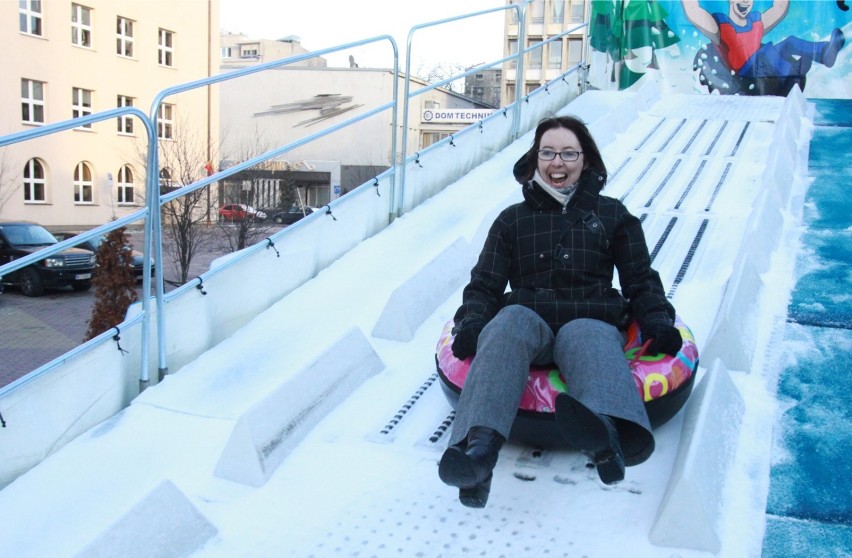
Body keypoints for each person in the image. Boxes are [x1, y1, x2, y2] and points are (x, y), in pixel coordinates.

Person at [438, 116, 682, 508]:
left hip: (589, 315)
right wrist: (471, 325)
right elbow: (485, 285)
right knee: (508, 323)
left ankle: (606, 435)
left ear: (585, 160)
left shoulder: (612, 215)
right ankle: (478, 455)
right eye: (548, 152)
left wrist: (656, 320)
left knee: (587, 334)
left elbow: (640, 278)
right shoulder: (512, 221)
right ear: (535, 159)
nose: (558, 163)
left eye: (569, 153)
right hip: (529, 318)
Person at [681, 0, 845, 79]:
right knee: (776, 49)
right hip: (748, 72)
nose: (745, 1)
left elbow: (779, 8)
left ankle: (821, 55)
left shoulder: (756, 22)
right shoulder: (720, 26)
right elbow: (693, 10)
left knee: (789, 43)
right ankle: (796, 68)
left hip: (765, 66)